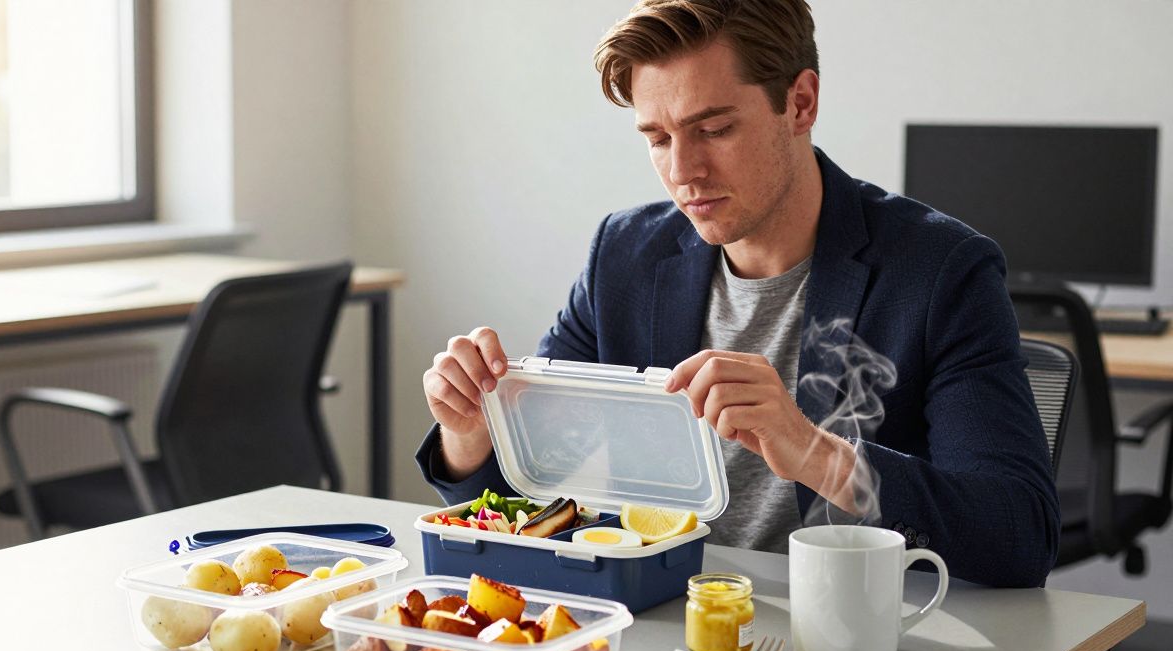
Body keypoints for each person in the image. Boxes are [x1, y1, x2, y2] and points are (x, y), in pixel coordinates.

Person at [414, 0, 1059, 588]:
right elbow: (539, 496)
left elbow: (1020, 533)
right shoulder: (625, 257)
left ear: (800, 103)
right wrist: (472, 435)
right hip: (655, 622)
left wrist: (817, 453)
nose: (683, 172)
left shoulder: (940, 271)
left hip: (849, 636)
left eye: (715, 129)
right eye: (658, 138)